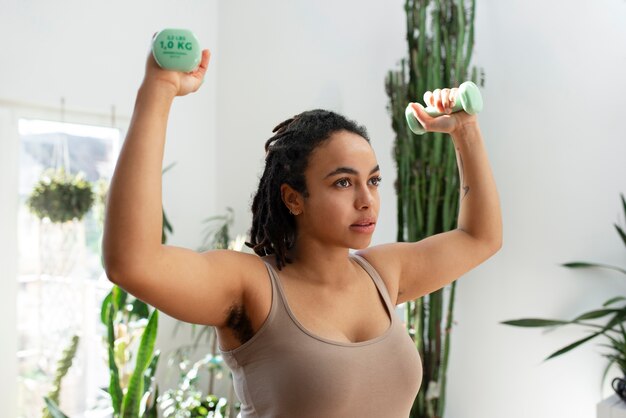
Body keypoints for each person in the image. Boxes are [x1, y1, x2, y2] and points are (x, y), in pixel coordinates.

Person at [102, 45, 502, 418]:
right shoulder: (253, 286)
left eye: (374, 181)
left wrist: (465, 130)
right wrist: (159, 89)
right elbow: (132, 263)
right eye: (343, 183)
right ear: (294, 198)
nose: (367, 200)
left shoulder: (383, 274)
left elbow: (479, 238)